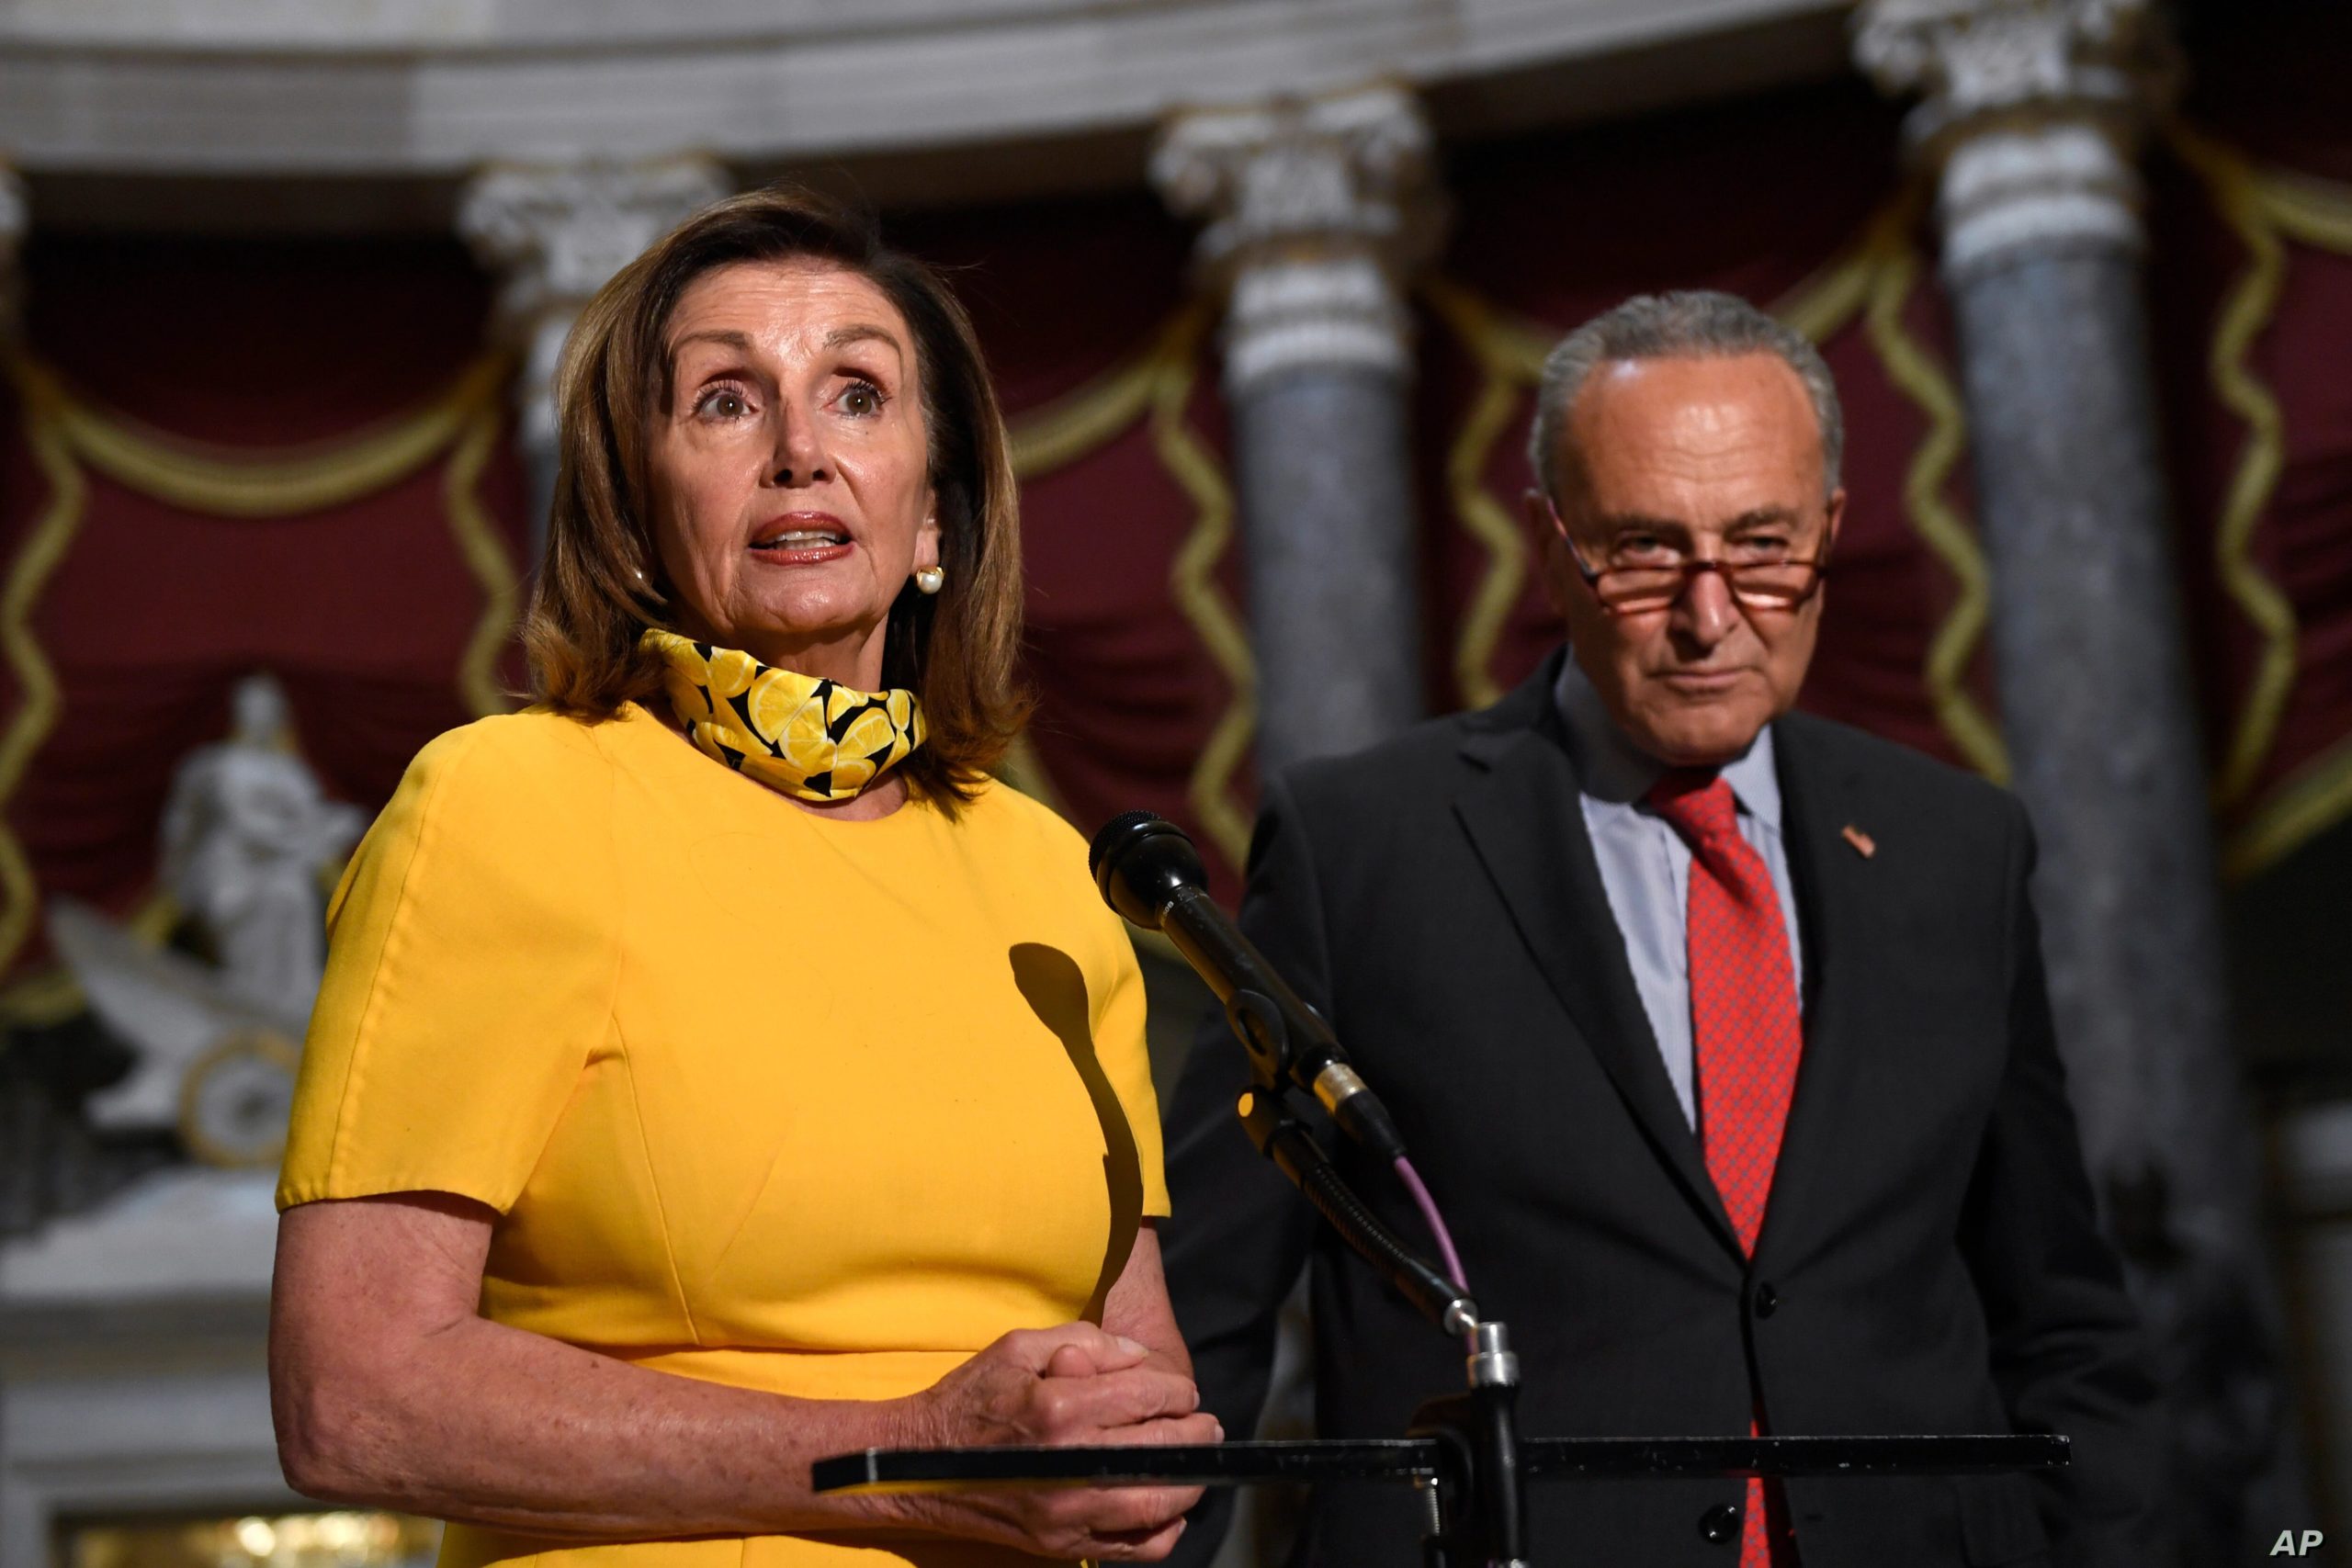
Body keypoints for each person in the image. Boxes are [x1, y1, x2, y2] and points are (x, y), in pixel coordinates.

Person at [268, 186, 1218, 1568]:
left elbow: (1143, 1379)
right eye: (724, 402)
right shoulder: (502, 805)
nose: (797, 453)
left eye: (857, 395)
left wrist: (1136, 1475)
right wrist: (902, 1460)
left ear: (938, 517)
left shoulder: (1052, 876)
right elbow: (350, 1397)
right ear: (634, 509)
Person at [1159, 291, 2157, 1567]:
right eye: (1643, 552)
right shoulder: (1365, 846)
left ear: (1832, 531)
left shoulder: (1956, 847)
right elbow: (1206, 1313)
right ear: (1552, 541)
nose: (1707, 615)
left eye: (1762, 547)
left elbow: (2058, 1308)